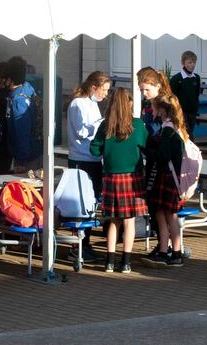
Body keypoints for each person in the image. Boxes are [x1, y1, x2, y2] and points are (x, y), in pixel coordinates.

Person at [90, 87, 149, 274]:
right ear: (128, 104)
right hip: (132, 177)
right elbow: (147, 145)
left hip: (111, 177)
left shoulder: (106, 125)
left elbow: (94, 150)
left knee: (113, 221)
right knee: (129, 221)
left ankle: (109, 262)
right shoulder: (138, 125)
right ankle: (126, 263)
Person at [66, 71, 110, 263]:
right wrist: (100, 125)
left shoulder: (92, 104)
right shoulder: (78, 104)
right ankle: (77, 247)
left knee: (91, 204)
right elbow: (82, 130)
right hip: (80, 158)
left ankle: (86, 243)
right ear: (94, 87)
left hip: (93, 158)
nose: (105, 95)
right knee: (80, 204)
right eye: (104, 90)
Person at [143, 94, 189, 267]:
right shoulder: (178, 128)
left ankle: (165, 251)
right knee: (171, 215)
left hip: (165, 176)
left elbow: (162, 156)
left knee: (163, 215)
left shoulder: (167, 129)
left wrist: (147, 151)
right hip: (174, 176)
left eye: (156, 108)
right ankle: (175, 253)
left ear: (163, 109)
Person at [136, 66, 172, 260]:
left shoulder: (163, 105)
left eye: (146, 89)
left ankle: (166, 246)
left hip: (160, 160)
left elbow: (162, 133)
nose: (144, 93)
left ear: (157, 86)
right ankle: (163, 244)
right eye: (142, 90)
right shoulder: (148, 104)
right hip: (151, 156)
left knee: (161, 206)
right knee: (155, 206)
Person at [5, 57, 41, 173]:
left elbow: (22, 132)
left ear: (10, 79)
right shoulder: (27, 88)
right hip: (36, 149)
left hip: (27, 157)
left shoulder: (17, 101)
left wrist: (21, 161)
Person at [169, 51, 201, 137]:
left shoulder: (196, 78)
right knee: (186, 134)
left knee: (190, 132)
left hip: (192, 113)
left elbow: (196, 94)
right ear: (183, 63)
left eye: (194, 62)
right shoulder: (176, 79)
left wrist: (195, 108)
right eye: (189, 62)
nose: (192, 65)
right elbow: (172, 97)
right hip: (181, 113)